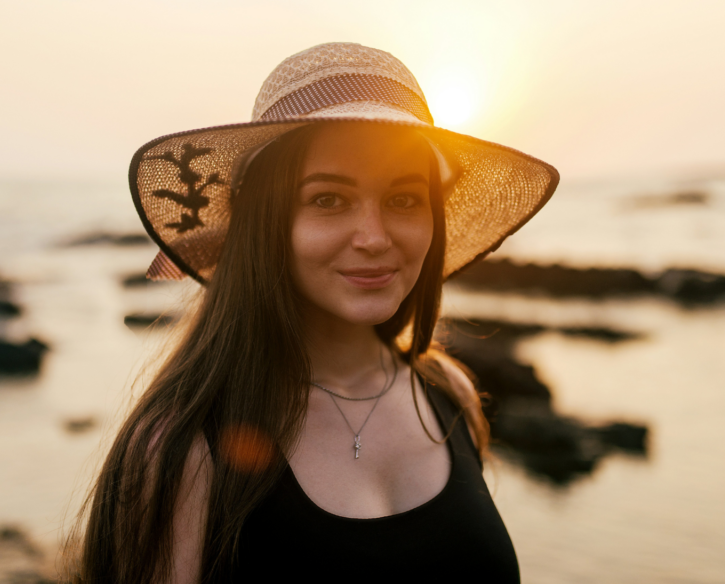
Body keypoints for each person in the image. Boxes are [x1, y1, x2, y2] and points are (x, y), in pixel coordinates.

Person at [67, 42, 558, 583]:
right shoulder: (183, 449)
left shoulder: (451, 397)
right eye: (328, 200)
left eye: (403, 200)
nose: (374, 238)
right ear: (267, 221)